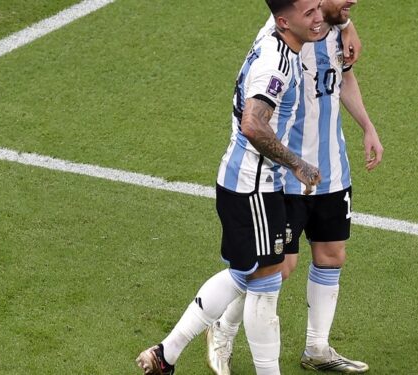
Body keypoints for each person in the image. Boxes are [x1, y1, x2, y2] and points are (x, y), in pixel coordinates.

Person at [135, 1, 324, 374]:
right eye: (310, 13)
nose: (318, 17)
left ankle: (164, 355)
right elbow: (253, 124)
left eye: (319, 6)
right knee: (264, 287)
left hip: (253, 184)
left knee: (245, 275)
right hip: (252, 187)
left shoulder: (275, 36)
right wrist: (298, 165)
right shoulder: (276, 64)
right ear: (284, 21)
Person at [206, 0, 383, 373]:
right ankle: (223, 328)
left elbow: (343, 76)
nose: (350, 3)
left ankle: (317, 348)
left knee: (332, 254)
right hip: (289, 174)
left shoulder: (334, 25)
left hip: (332, 168)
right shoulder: (284, 37)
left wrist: (367, 126)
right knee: (275, 268)